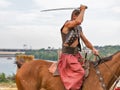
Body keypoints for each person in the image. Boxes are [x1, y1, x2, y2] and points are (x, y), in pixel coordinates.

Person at [57, 5, 99, 90]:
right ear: (74, 16)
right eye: (78, 15)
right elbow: (79, 21)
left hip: (76, 55)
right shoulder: (67, 24)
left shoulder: (79, 28)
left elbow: (86, 41)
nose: (81, 18)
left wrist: (93, 49)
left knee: (89, 69)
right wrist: (83, 9)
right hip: (67, 57)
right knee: (80, 72)